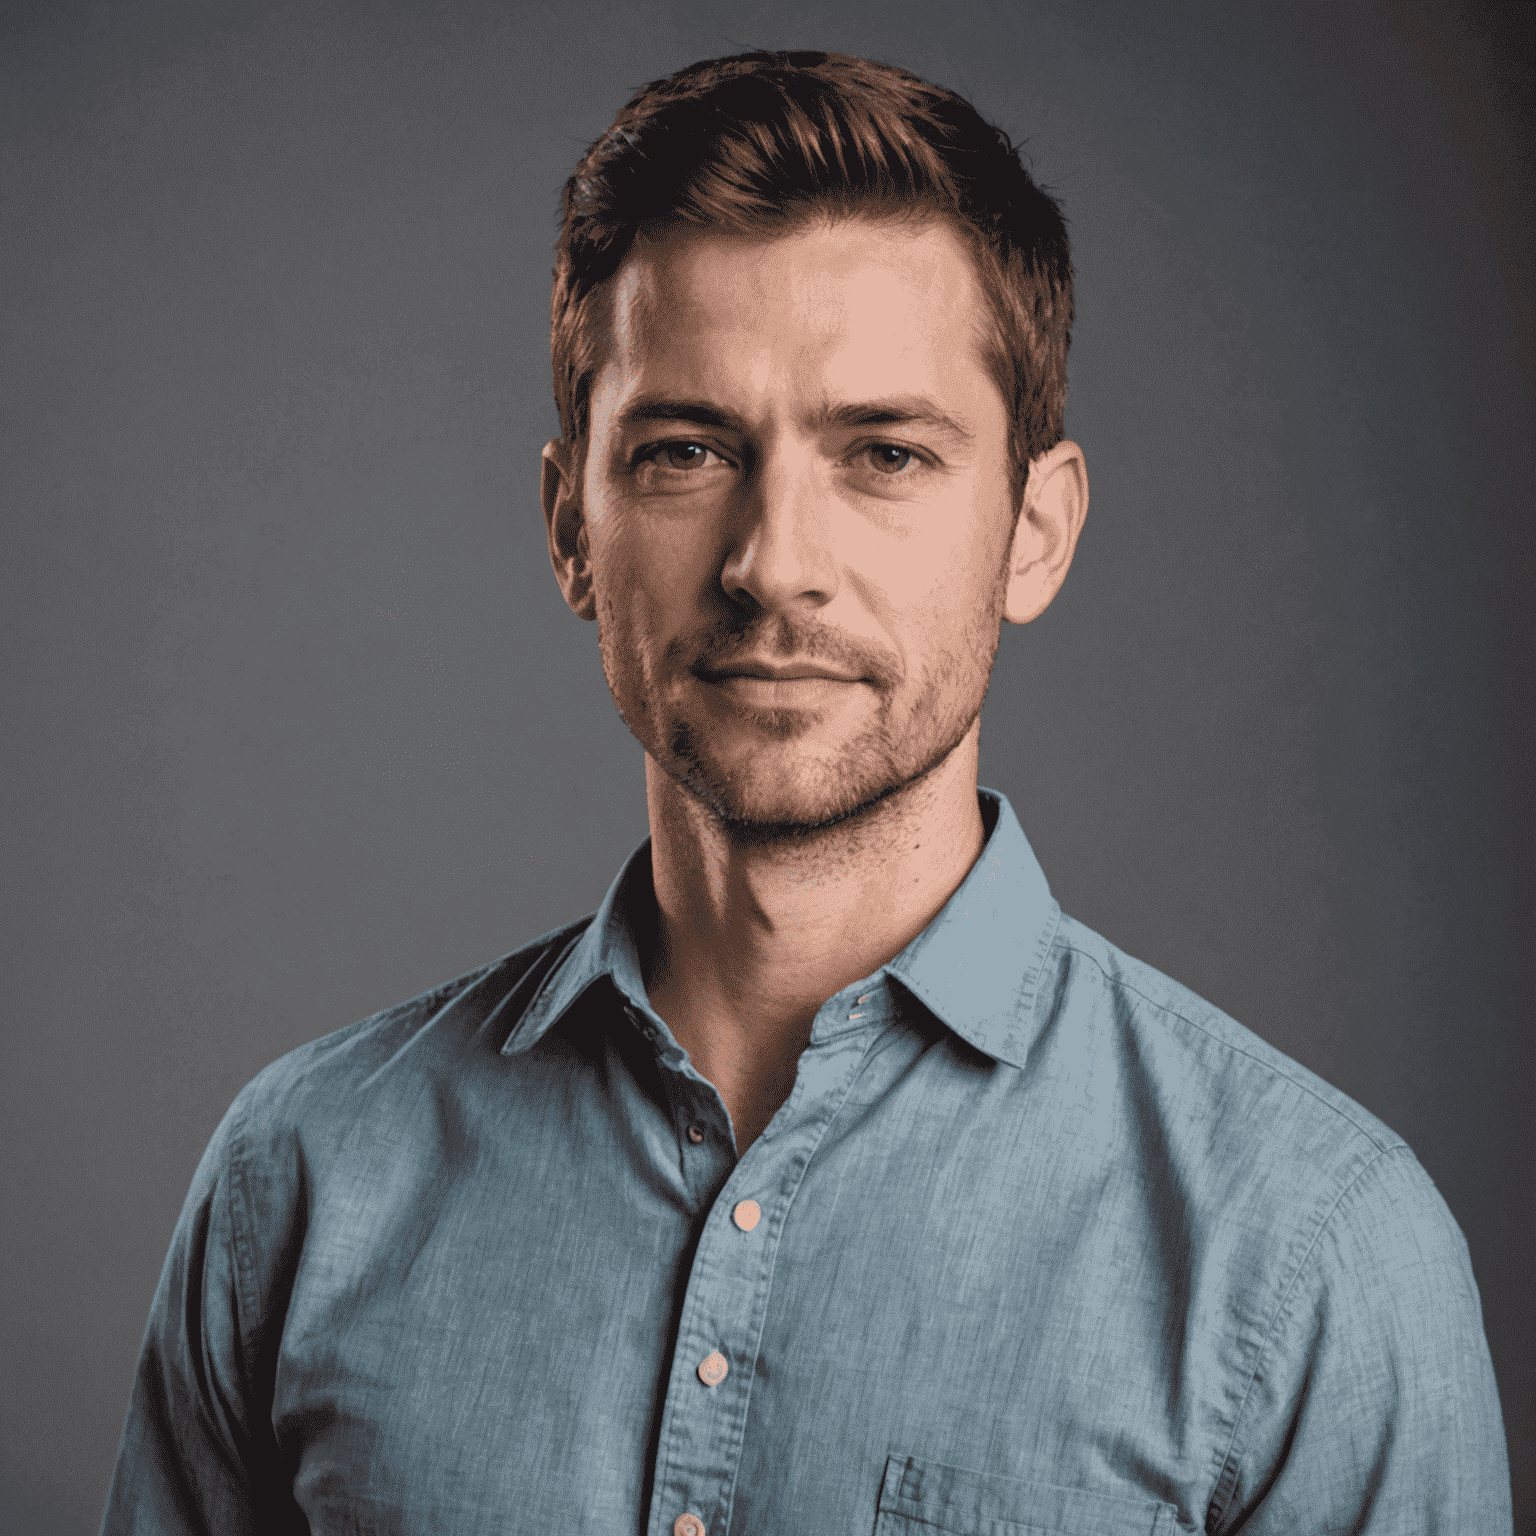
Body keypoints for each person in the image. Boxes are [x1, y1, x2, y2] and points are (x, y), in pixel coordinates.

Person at [101, 50, 1511, 1536]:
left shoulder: (1309, 1253)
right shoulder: (305, 1182)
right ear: (571, 529)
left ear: (1035, 532)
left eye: (885, 453)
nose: (774, 561)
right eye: (685, 451)